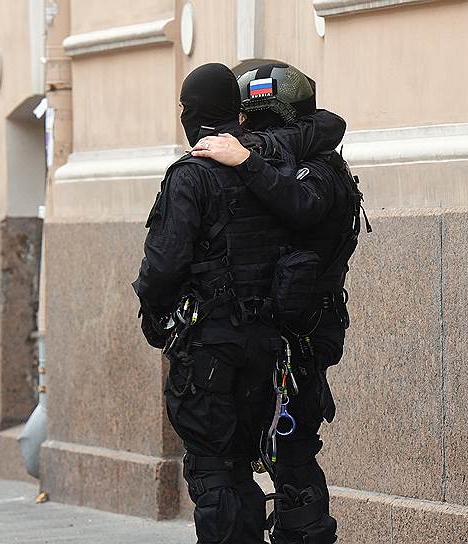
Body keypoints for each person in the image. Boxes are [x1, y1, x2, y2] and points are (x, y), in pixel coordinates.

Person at [132, 63, 343, 543]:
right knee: (283, 454)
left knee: (218, 468)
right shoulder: (275, 161)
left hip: (215, 349)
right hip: (271, 345)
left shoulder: (198, 172)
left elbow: (163, 264)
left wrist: (154, 315)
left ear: (192, 112)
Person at [190, 62, 368, 544]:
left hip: (304, 334)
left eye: (257, 121)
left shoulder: (319, 170)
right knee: (241, 452)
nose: (247, 130)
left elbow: (302, 206)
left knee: (291, 454)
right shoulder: (285, 156)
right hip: (266, 334)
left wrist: (247, 161)